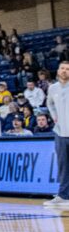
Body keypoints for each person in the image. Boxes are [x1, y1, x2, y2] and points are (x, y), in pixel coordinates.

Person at [45, 59, 69, 208]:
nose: (65, 70)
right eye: (63, 68)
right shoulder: (52, 88)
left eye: (68, 68)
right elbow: (49, 103)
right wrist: (54, 116)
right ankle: (63, 195)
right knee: (63, 166)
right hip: (60, 132)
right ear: (58, 70)